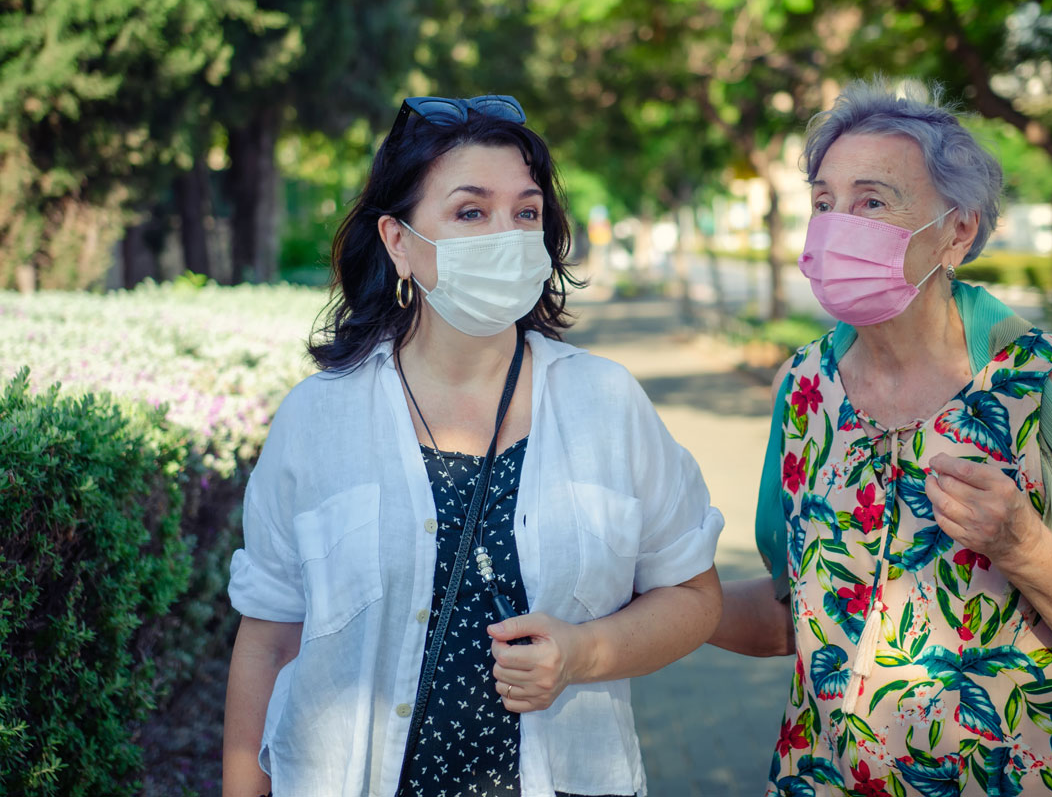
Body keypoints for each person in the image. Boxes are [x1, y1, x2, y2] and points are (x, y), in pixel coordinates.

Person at [222, 94, 724, 797]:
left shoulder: (606, 402)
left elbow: (694, 595)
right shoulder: (317, 418)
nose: (508, 234)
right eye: (470, 211)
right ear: (398, 241)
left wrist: (584, 653)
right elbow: (271, 631)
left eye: (526, 212)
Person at [709, 80, 1052, 797]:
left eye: (871, 201)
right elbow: (798, 613)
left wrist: (1022, 544)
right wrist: (657, 601)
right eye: (823, 202)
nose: (836, 224)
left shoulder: (1038, 384)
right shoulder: (804, 386)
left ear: (957, 232)